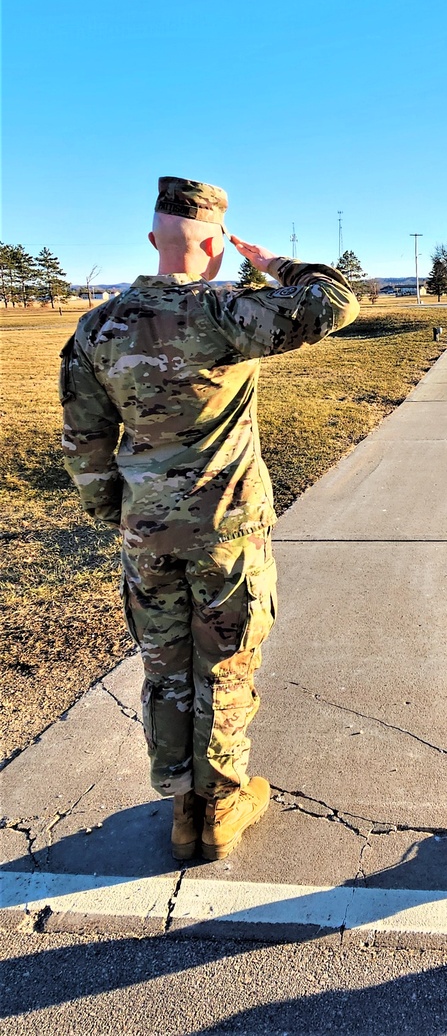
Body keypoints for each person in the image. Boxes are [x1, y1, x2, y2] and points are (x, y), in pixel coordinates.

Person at [60, 176, 359, 862]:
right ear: (219, 244)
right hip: (226, 529)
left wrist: (119, 510)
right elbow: (334, 301)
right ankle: (221, 804)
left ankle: (181, 805)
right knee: (225, 661)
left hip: (147, 531)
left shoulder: (98, 326)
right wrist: (274, 265)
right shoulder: (225, 313)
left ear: (152, 240)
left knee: (165, 664)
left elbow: (84, 439)